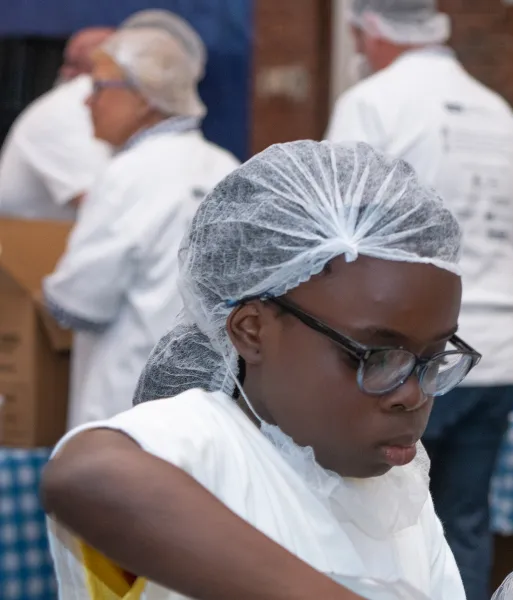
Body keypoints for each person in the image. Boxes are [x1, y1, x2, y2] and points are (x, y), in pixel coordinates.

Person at [40, 140, 471, 599]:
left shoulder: (400, 495)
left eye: (434, 358)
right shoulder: (211, 446)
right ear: (252, 330)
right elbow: (86, 475)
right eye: (377, 357)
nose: (414, 395)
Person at [325, 2, 513, 596]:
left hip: (403, 357)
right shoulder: (498, 111)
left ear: (372, 30)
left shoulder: (372, 101)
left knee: (376, 519)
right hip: (497, 351)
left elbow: (334, 233)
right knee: (463, 520)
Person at [42, 10, 238, 429]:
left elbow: (79, 303)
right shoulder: (225, 165)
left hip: (127, 402)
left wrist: (51, 291)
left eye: (97, 87)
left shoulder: (127, 174)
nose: (87, 101)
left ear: (144, 96)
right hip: (211, 405)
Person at [0, 27, 113, 221]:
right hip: (22, 238)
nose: (65, 72)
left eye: (76, 65)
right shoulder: (65, 110)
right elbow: (104, 207)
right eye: (67, 63)